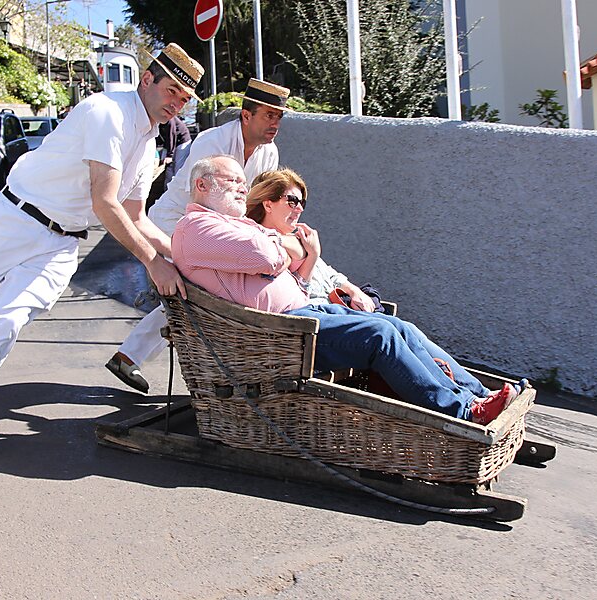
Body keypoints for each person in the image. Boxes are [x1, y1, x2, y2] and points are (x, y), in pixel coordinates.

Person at [0, 43, 204, 474]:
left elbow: (135, 216)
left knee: (4, 324)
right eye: (171, 90)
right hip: (14, 218)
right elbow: (105, 203)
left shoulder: (148, 146)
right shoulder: (107, 113)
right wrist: (153, 262)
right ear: (146, 80)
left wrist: (187, 255)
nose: (176, 104)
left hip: (60, 245)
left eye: (184, 99)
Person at [170, 155, 520, 425]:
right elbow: (265, 254)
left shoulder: (234, 226)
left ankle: (478, 394)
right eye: (232, 180)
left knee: (400, 327)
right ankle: (464, 413)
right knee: (380, 334)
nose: (242, 188)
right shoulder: (196, 227)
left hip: (304, 314)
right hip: (282, 332)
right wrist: (288, 246)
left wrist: (288, 249)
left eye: (243, 181)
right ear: (202, 185)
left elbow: (283, 267)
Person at [106, 79, 293, 394]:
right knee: (189, 292)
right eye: (268, 115)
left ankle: (129, 356)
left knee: (189, 294)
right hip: (178, 222)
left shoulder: (268, 152)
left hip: (217, 227)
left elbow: (253, 200)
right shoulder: (213, 140)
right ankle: (139, 359)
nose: (274, 123)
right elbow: (208, 200)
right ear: (246, 116)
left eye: (279, 117)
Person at [246, 170, 378, 312]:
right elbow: (295, 295)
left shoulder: (301, 241)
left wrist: (354, 291)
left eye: (302, 202)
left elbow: (331, 275)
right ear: (268, 205)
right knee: (384, 330)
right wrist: (313, 255)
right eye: (292, 201)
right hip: (313, 318)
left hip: (338, 313)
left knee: (400, 328)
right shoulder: (264, 246)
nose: (300, 209)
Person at [146, 116, 192, 210]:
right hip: (168, 145)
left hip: (182, 142)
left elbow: (172, 136)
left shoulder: (169, 120)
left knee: (178, 168)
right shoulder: (155, 121)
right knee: (167, 168)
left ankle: (177, 194)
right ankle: (167, 192)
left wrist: (170, 156)